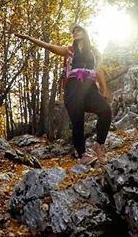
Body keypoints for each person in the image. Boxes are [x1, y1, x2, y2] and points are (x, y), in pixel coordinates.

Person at [14, 25, 112, 168]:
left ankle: (99, 145)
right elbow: (48, 46)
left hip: (90, 89)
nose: (75, 33)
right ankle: (83, 155)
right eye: (73, 32)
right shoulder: (69, 50)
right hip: (73, 90)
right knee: (78, 122)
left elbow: (99, 70)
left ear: (85, 33)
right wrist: (29, 38)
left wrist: (105, 90)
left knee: (106, 111)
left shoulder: (94, 52)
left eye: (78, 30)